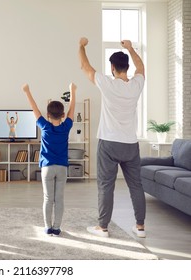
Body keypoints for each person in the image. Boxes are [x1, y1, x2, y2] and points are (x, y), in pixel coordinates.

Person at [78, 37, 147, 238]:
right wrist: (131, 49)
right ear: (127, 67)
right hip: (130, 145)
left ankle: (103, 227)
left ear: (112, 68)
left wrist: (81, 46)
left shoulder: (107, 83)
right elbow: (141, 67)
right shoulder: (136, 85)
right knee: (136, 185)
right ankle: (140, 227)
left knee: (106, 185)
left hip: (109, 143)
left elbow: (84, 66)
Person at [22, 83, 76, 236]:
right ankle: (57, 228)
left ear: (48, 115)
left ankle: (47, 227)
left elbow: (35, 109)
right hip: (62, 168)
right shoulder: (66, 127)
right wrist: (72, 92)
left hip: (47, 168)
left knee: (48, 198)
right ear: (63, 115)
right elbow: (72, 109)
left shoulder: (44, 126)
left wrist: (27, 91)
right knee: (59, 199)